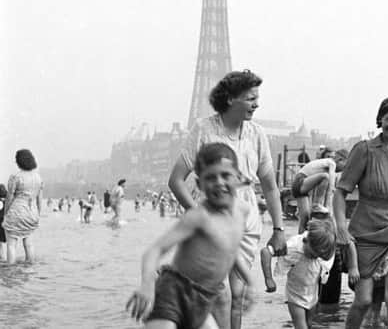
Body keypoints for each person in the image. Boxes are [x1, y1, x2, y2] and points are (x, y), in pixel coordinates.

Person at [168, 70, 286, 329]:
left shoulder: (257, 134)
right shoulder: (204, 129)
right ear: (231, 99)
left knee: (237, 295)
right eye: (251, 98)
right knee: (218, 292)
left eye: (257, 98)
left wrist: (278, 229)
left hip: (246, 218)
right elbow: (176, 180)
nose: (257, 104)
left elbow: (270, 186)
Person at [126, 143, 254, 329]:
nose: (219, 182)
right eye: (210, 178)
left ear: (238, 177)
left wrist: (250, 282)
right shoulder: (198, 217)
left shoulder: (241, 212)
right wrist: (147, 284)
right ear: (199, 184)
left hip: (205, 298)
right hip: (173, 293)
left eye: (225, 175)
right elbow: (155, 249)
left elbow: (230, 250)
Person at [333, 97, 388, 329]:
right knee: (363, 301)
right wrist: (341, 228)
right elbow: (340, 193)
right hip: (366, 235)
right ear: (380, 120)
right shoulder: (364, 150)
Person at [260, 218, 336, 329]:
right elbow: (265, 252)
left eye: (318, 256)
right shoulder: (292, 246)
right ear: (305, 241)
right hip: (295, 296)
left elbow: (330, 256)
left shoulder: (322, 248)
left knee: (309, 324)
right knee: (301, 326)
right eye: (313, 254)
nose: (315, 257)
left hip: (312, 295)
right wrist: (268, 279)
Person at [291, 148, 348, 233]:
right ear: (340, 160)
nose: (344, 169)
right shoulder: (331, 162)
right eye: (345, 165)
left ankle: (301, 238)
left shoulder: (326, 163)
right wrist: (332, 189)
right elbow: (331, 176)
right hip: (300, 181)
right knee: (325, 176)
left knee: (304, 219)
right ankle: (318, 203)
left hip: (300, 188)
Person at [2, 149, 44, 264]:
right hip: (32, 213)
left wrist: (6, 214)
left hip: (16, 212)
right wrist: (37, 214)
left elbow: (9, 197)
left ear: (19, 161)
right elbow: (39, 199)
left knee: (11, 244)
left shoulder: (15, 177)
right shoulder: (38, 178)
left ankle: (11, 270)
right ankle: (29, 268)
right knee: (29, 243)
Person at [0, 184, 7, 260]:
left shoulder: (0, 202)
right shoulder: (7, 201)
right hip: (5, 224)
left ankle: (3, 258)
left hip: (1, 224)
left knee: (1, 243)